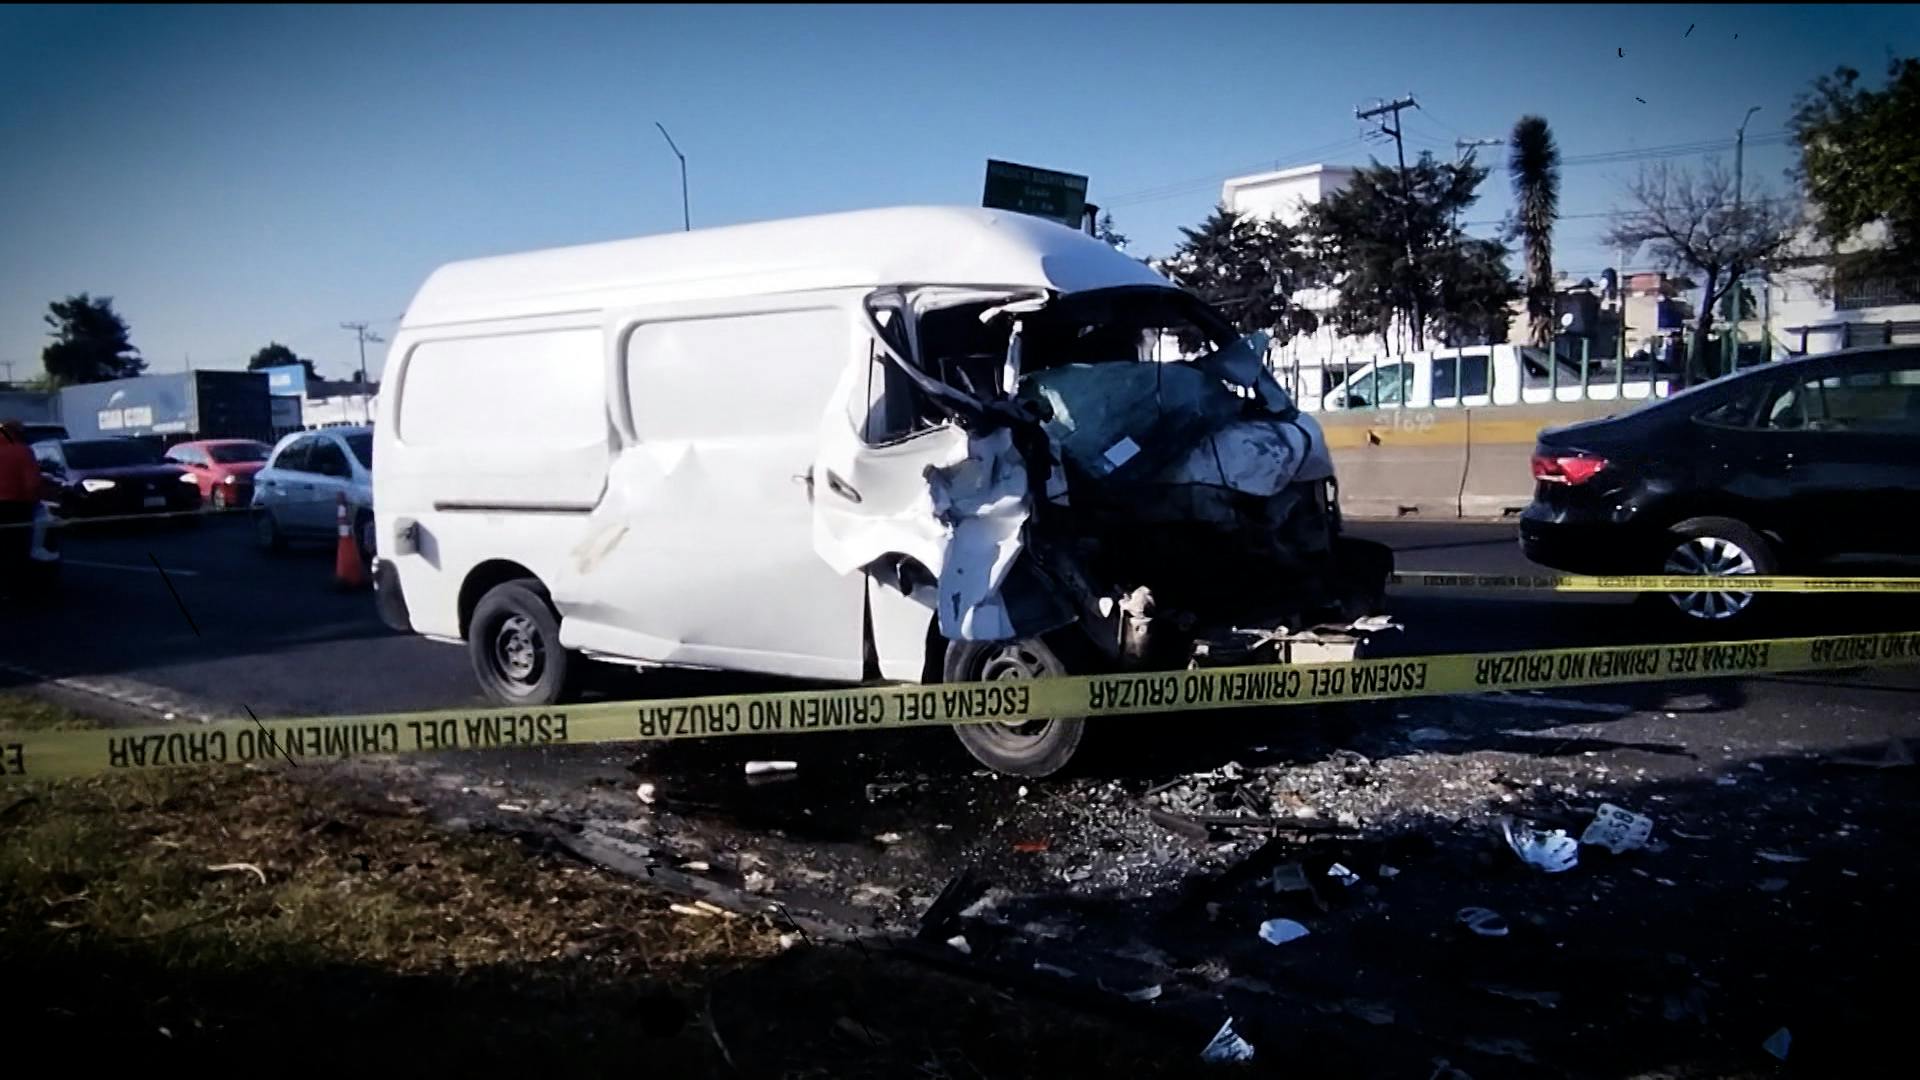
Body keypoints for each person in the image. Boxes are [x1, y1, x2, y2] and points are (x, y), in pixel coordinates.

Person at [1, 419, 46, 578]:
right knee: (17, 546)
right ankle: (15, 584)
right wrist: (35, 500)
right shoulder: (22, 452)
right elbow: (32, 483)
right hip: (16, 506)